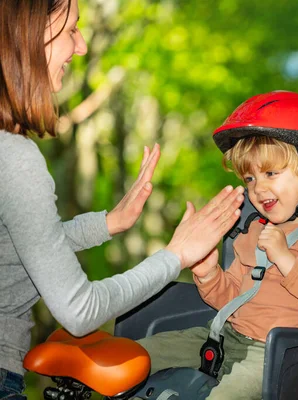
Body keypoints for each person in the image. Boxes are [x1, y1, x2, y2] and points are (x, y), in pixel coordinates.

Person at [0, 1, 245, 398]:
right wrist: (175, 257)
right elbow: (80, 313)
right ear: (30, 34)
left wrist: (108, 223)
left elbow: (15, 246)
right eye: (71, 31)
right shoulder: (15, 158)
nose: (80, 48)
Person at [137, 91, 298, 399]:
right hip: (225, 335)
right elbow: (230, 297)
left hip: (273, 356)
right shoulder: (254, 229)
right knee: (138, 356)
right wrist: (208, 273)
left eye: (271, 173)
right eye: (250, 178)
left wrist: (286, 258)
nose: (258, 187)